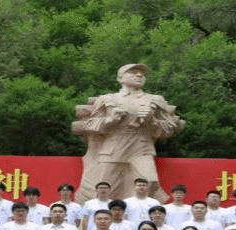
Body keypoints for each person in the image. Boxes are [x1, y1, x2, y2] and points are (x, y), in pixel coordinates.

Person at [73, 63, 185, 202]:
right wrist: (110, 120)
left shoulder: (154, 100)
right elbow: (90, 124)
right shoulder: (107, 99)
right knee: (103, 188)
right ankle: (102, 212)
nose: (139, 75)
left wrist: (151, 120)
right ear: (120, 78)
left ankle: (138, 210)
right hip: (113, 148)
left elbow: (168, 128)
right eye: (133, 72)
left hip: (141, 148)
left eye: (142, 74)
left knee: (150, 182)